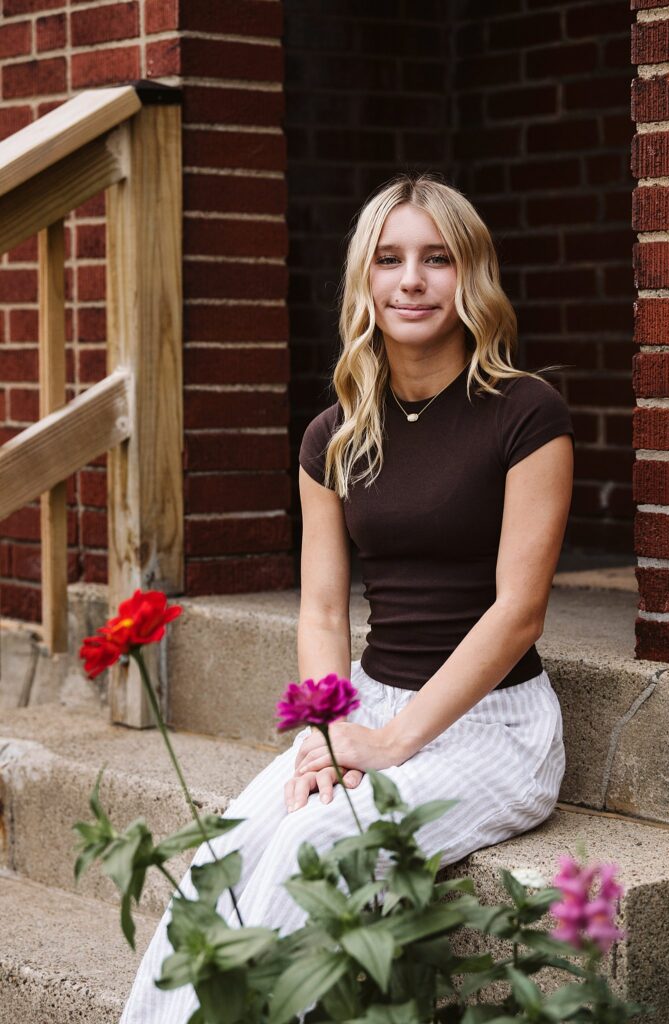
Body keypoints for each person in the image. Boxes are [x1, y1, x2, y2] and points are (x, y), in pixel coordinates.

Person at [119, 172, 574, 1023]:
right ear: (365, 279)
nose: (412, 281)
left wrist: (390, 741)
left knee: (313, 846)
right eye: (390, 259)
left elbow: (519, 611)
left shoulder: (525, 414)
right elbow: (324, 611)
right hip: (361, 709)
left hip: (496, 725)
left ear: (470, 274)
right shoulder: (331, 434)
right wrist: (328, 731)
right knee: (227, 855)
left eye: (437, 259)